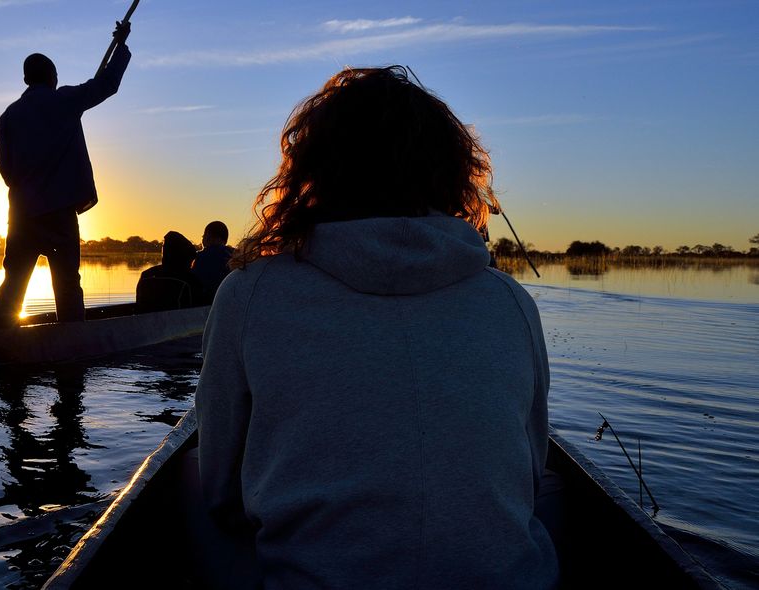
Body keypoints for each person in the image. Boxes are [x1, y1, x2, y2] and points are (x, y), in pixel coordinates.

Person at [194, 66, 558, 588]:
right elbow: (529, 477)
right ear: (450, 173)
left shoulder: (248, 294)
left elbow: (221, 491)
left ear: (314, 172)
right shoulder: (511, 302)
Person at [0, 22, 132, 325]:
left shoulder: (8, 116)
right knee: (66, 283)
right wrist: (120, 45)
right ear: (53, 76)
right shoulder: (65, 100)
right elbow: (107, 84)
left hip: (22, 215)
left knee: (13, 282)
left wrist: (27, 189)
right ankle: (72, 340)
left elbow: (5, 169)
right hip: (58, 214)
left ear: (26, 79)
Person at [136, 231, 202, 312]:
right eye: (191, 262)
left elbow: (138, 307)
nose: (191, 266)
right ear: (185, 259)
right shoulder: (190, 280)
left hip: (146, 320)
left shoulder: (145, 275)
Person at [191, 220, 233, 304]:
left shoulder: (200, 257)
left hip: (205, 303)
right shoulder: (235, 256)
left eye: (203, 236)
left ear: (208, 237)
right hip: (228, 301)